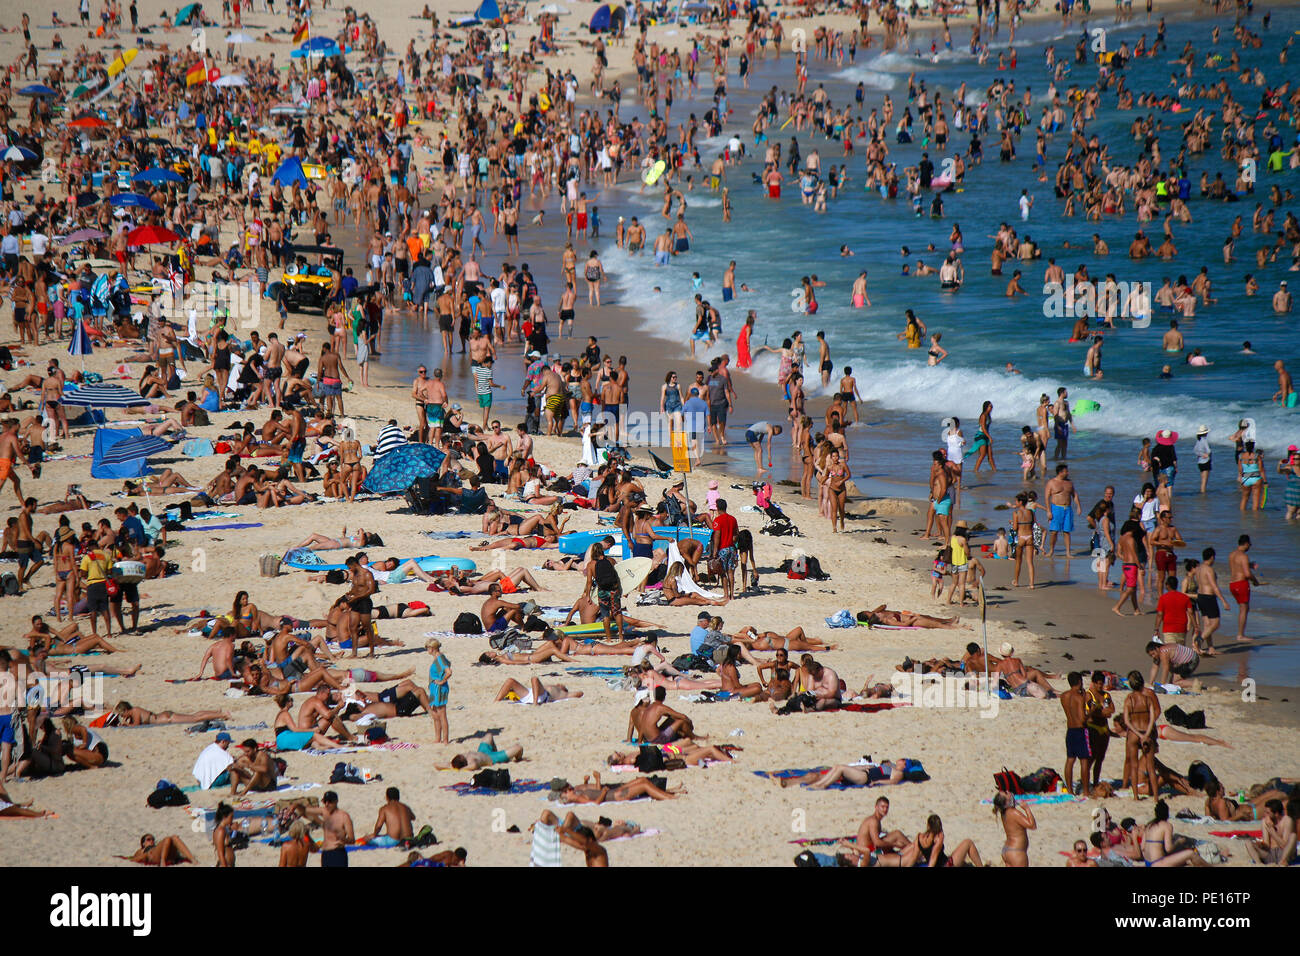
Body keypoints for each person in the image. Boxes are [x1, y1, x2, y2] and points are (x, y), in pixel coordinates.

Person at [993, 790, 1036, 866]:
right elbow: (1032, 825)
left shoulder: (1003, 813)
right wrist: (1027, 809)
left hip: (1007, 850)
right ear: (1006, 802)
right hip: (1016, 851)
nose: (1008, 792)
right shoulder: (1013, 812)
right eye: (1006, 793)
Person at [426, 638, 451, 744]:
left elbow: (448, 672)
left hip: (439, 689)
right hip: (433, 688)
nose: (426, 649)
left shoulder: (440, 658)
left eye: (427, 647)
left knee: (441, 714)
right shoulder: (437, 658)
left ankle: (445, 739)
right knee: (435, 714)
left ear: (432, 648)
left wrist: (442, 681)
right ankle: (437, 738)